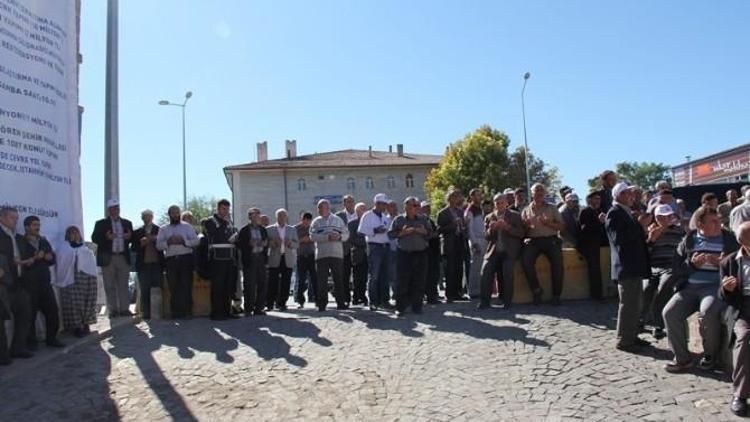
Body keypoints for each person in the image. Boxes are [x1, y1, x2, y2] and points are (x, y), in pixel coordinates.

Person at [663, 207, 737, 372]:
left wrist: (722, 264)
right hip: (689, 287)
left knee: (708, 311)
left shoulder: (729, 239)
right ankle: (682, 359)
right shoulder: (689, 240)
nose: (719, 223)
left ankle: (710, 356)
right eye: (713, 221)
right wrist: (692, 265)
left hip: (714, 287)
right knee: (669, 313)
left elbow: (739, 264)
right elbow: (676, 268)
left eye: (718, 220)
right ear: (700, 223)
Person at [605, 182, 652, 352]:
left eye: (631, 193)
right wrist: (640, 225)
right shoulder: (615, 213)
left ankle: (631, 336)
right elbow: (619, 239)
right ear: (617, 195)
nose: (631, 196)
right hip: (626, 266)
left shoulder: (626, 213)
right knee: (628, 304)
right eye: (626, 193)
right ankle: (624, 340)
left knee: (635, 304)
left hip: (633, 265)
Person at [718, 221, 750, 416]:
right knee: (744, 338)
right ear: (741, 241)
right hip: (744, 310)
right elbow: (723, 296)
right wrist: (726, 289)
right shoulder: (729, 262)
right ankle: (740, 394)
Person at [642, 204, 685, 340]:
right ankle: (642, 319)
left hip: (670, 266)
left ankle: (658, 325)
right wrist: (652, 240)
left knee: (664, 287)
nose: (665, 219)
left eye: (668, 216)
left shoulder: (679, 231)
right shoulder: (651, 231)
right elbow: (644, 253)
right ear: (656, 218)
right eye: (661, 217)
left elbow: (684, 250)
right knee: (646, 288)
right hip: (654, 266)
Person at [21, 216, 63, 349]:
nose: (37, 227)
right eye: (34, 225)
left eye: (38, 225)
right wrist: (35, 257)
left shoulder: (43, 241)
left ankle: (52, 338)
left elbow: (51, 259)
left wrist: (49, 257)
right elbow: (20, 262)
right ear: (27, 227)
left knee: (52, 312)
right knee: (30, 314)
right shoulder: (20, 241)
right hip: (29, 284)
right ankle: (31, 343)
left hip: (45, 283)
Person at [521, 183, 566, 305]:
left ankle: (556, 295)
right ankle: (536, 291)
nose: (540, 193)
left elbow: (562, 226)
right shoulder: (526, 210)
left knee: (557, 263)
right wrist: (525, 226)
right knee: (525, 260)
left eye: (542, 190)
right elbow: (523, 231)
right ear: (532, 193)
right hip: (533, 241)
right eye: (537, 190)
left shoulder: (552, 208)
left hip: (550, 239)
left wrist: (548, 223)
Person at [477, 193, 525, 309]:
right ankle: (485, 301)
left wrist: (507, 227)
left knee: (507, 273)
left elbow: (521, 233)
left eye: (501, 202)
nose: (499, 205)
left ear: (506, 203)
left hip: (509, 251)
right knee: (485, 271)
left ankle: (507, 301)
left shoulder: (515, 215)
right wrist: (491, 229)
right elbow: (486, 236)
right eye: (497, 203)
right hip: (494, 251)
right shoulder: (489, 217)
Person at [388, 197, 432, 316]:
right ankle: (401, 307)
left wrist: (424, 232)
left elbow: (431, 233)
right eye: (414, 205)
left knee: (419, 280)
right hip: (404, 254)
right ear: (406, 207)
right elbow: (391, 234)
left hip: (420, 253)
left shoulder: (423, 219)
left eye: (417, 205)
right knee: (402, 281)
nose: (417, 207)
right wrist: (402, 233)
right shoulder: (399, 219)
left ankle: (417, 307)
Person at [0, 207, 33, 361]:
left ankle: (18, 348)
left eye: (16, 218)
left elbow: (24, 256)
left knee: (25, 314)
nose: (15, 221)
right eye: (12, 218)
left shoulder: (18, 237)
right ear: (2, 218)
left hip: (19, 283)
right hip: (3, 285)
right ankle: (3, 355)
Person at [91, 198, 133, 318]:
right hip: (108, 258)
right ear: (109, 210)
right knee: (109, 285)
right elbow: (94, 238)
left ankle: (125, 309)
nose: (115, 210)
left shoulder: (127, 223)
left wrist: (129, 237)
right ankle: (113, 310)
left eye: (117, 208)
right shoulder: (101, 223)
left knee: (123, 284)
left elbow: (132, 239)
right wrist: (106, 238)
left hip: (122, 257)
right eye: (113, 208)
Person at [54, 226, 98, 338]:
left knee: (88, 301)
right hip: (71, 278)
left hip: (87, 278)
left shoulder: (85, 248)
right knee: (74, 303)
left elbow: (90, 261)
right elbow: (62, 261)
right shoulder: (64, 248)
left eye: (76, 232)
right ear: (68, 235)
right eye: (72, 233)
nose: (74, 235)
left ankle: (86, 323)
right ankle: (77, 327)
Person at [157, 205, 200, 319]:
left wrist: (184, 241)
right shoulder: (163, 228)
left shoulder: (187, 227)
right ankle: (175, 313)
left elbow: (196, 241)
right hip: (171, 260)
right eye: (173, 213)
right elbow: (158, 245)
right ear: (169, 214)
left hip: (185, 258)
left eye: (177, 213)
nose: (176, 215)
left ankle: (187, 312)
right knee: (173, 286)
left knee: (186, 285)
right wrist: (168, 242)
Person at [202, 199, 239, 320]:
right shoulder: (210, 221)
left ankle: (227, 311)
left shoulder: (229, 222)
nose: (226, 212)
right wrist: (224, 223)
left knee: (228, 286)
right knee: (218, 286)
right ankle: (217, 313)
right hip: (217, 257)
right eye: (223, 209)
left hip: (229, 257)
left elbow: (231, 236)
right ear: (218, 209)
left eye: (227, 209)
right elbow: (213, 234)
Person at [311, 199, 350, 311]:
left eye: (320, 207)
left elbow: (346, 234)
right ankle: (322, 304)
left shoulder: (338, 220)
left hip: (336, 254)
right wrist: (327, 237)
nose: (318, 209)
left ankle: (341, 303)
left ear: (327, 208)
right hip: (322, 255)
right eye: (318, 207)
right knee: (321, 281)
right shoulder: (316, 222)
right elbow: (312, 236)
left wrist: (339, 237)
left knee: (338, 279)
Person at [358, 194, 393, 310]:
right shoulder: (367, 215)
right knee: (374, 275)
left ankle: (385, 300)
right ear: (377, 204)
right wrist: (375, 230)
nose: (385, 207)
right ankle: (373, 301)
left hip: (385, 247)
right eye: (384, 204)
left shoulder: (384, 217)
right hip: (374, 247)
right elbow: (361, 230)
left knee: (385, 276)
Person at [438, 189, 470, 302]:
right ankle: (449, 295)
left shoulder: (460, 212)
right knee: (450, 270)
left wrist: (462, 226)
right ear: (449, 198)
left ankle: (457, 293)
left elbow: (463, 227)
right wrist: (452, 225)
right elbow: (440, 230)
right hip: (449, 244)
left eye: (457, 196)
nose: (456, 199)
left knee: (459, 269)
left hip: (459, 242)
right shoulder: (443, 213)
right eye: (454, 196)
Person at [131, 209, 164, 320]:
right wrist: (141, 243)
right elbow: (133, 248)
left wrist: (155, 239)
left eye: (149, 216)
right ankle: (146, 313)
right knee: (144, 290)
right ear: (142, 218)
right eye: (144, 216)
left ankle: (158, 312)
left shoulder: (159, 230)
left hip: (157, 264)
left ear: (152, 217)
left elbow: (164, 244)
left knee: (157, 288)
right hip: (143, 265)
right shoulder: (137, 232)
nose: (147, 218)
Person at [237, 208, 269, 315]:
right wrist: (248, 243)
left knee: (262, 283)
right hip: (250, 259)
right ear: (250, 216)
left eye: (258, 215)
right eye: (255, 215)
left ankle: (259, 308)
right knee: (249, 285)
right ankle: (248, 308)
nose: (257, 217)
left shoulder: (263, 229)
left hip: (261, 258)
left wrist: (265, 244)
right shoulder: (244, 230)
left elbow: (266, 242)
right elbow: (239, 244)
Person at [266, 208, 298, 311]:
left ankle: (282, 303)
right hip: (274, 258)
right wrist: (273, 243)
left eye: (284, 216)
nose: (282, 218)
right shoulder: (269, 229)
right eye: (280, 216)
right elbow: (265, 243)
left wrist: (290, 243)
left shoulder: (292, 229)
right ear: (276, 217)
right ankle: (270, 303)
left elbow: (297, 244)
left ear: (286, 217)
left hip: (287, 258)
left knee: (286, 282)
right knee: (272, 282)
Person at [578, 192, 608, 300]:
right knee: (594, 270)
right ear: (589, 200)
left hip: (598, 243)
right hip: (589, 244)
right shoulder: (585, 211)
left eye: (599, 199)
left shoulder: (599, 211)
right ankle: (596, 295)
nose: (598, 201)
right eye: (596, 199)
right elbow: (584, 229)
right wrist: (598, 221)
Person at [465, 188, 486, 298]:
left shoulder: (481, 208)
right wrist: (474, 243)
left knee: (482, 266)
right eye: (477, 195)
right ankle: (473, 291)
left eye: (480, 194)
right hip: (476, 240)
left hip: (484, 239)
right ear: (472, 197)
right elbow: (470, 228)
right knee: (475, 267)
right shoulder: (470, 210)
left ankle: (481, 289)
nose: (479, 197)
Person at [336, 195, 357, 304]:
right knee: (345, 274)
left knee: (358, 274)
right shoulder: (339, 216)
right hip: (344, 249)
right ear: (344, 203)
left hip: (358, 248)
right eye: (348, 202)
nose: (351, 204)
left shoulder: (358, 214)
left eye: (352, 201)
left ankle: (358, 297)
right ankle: (346, 298)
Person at [420, 201, 442, 304]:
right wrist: (434, 234)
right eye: (425, 208)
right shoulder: (421, 221)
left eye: (428, 208)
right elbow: (425, 236)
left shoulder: (430, 220)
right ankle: (430, 296)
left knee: (434, 274)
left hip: (434, 251)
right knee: (428, 275)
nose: (427, 210)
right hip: (426, 251)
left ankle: (433, 294)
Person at [294, 212, 317, 308]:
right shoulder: (295, 228)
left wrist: (311, 239)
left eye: (308, 221)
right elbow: (293, 242)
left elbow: (317, 238)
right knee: (301, 279)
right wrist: (302, 240)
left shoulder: (313, 228)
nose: (307, 222)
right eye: (305, 220)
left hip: (312, 255)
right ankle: (300, 300)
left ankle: (317, 299)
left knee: (314, 279)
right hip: (301, 256)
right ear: (301, 219)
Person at [349, 202, 369, 306]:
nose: (365, 211)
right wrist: (365, 242)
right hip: (358, 253)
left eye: (365, 209)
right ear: (357, 212)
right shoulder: (352, 224)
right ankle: (357, 296)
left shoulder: (370, 222)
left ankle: (362, 295)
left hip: (369, 253)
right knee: (357, 277)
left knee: (365, 277)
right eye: (362, 209)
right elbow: (351, 239)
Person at [386, 200, 400, 300]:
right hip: (391, 250)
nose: (393, 208)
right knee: (393, 273)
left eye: (394, 206)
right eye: (391, 206)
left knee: (403, 272)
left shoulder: (401, 218)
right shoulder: (385, 220)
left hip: (403, 249)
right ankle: (396, 292)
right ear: (387, 209)